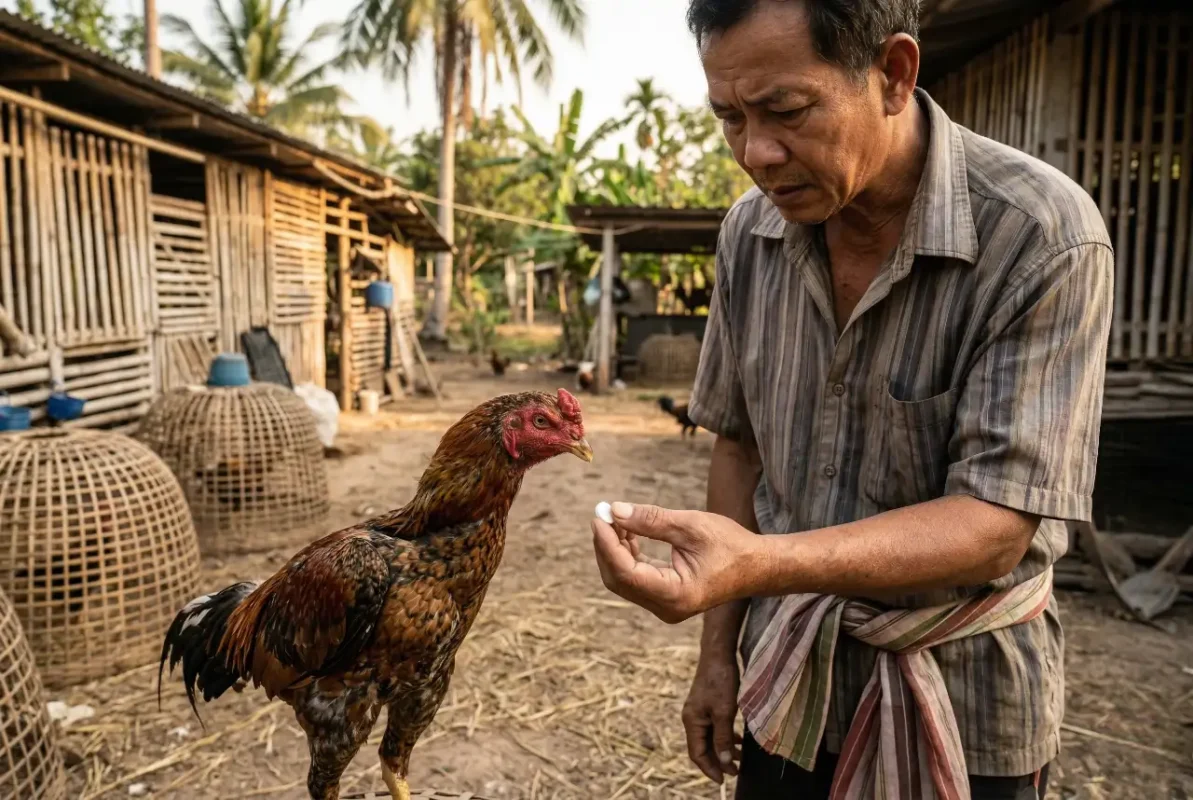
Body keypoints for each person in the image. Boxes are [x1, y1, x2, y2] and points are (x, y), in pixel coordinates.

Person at [589, 2, 1113, 799]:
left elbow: (992, 528)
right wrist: (715, 660)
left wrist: (756, 565)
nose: (755, 154)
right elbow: (738, 443)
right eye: (728, 117)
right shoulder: (748, 236)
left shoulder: (1040, 236)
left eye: (786, 111)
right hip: (789, 685)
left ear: (894, 75)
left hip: (966, 699)